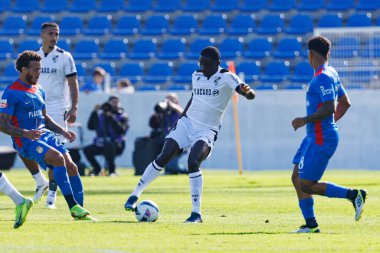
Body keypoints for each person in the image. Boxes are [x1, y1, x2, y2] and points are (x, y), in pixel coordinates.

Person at [124, 46, 255, 222]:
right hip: (186, 124)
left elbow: (244, 91)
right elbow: (194, 98)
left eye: (207, 65)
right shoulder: (196, 75)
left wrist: (248, 92)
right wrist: (180, 120)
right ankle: (135, 195)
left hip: (207, 129)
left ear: (217, 63)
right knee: (163, 156)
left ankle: (196, 213)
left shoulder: (226, 77)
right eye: (201, 64)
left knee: (192, 162)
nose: (203, 68)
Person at [0, 50, 94, 221]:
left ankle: (81, 211)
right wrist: (25, 133)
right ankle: (73, 207)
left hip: (45, 135)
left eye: (40, 69)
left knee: (71, 166)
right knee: (58, 159)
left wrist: (63, 131)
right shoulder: (11, 92)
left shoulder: (39, 89)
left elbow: (44, 117)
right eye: (35, 69)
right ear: (23, 70)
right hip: (26, 141)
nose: (39, 73)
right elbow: (2, 124)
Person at [290, 35, 367, 233]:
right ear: (328, 53)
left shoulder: (323, 76)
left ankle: (354, 195)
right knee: (296, 177)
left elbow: (330, 107)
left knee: (306, 185)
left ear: (311, 55)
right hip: (314, 135)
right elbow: (345, 102)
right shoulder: (331, 72)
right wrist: (326, 124)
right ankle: (311, 225)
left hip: (320, 137)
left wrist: (305, 120)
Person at [18, 22, 81, 210]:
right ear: (42, 35)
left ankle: (51, 195)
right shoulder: (34, 58)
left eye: (57, 34)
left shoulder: (64, 57)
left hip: (57, 109)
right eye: (51, 33)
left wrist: (74, 107)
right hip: (35, 108)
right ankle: (40, 181)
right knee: (22, 145)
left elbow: (73, 83)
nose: (54, 37)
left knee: (57, 153)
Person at [83, 96, 129, 176]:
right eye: (112, 102)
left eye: (116, 102)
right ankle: (97, 169)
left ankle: (112, 171)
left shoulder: (122, 115)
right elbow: (90, 127)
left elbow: (121, 130)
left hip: (117, 144)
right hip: (102, 144)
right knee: (87, 150)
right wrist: (94, 112)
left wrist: (111, 117)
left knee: (109, 146)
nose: (114, 104)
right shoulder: (101, 115)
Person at [149, 92, 186, 174]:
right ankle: (174, 170)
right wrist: (159, 109)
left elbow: (184, 114)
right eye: (168, 98)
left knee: (172, 157)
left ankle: (180, 170)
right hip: (164, 140)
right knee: (167, 156)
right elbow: (152, 123)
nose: (169, 101)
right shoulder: (163, 112)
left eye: (172, 99)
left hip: (180, 140)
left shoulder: (178, 110)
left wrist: (173, 106)